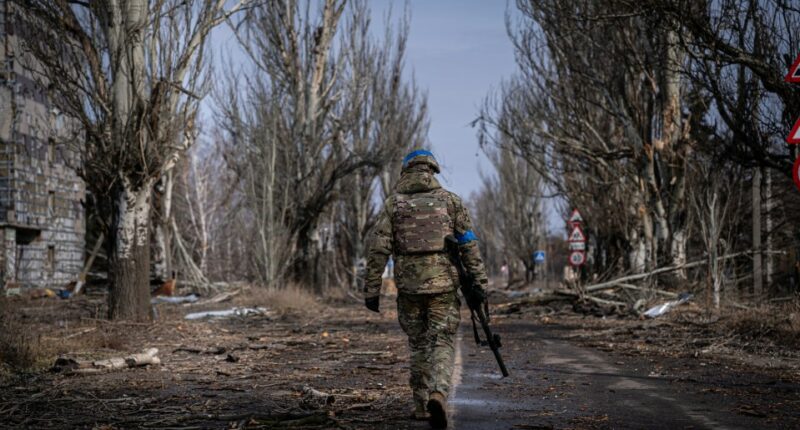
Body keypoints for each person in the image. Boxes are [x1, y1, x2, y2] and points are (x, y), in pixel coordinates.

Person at [363, 149, 488, 429]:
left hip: (408, 288)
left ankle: (421, 406)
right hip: (444, 285)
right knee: (442, 341)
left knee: (418, 343)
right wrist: (480, 283)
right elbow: (468, 245)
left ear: (406, 172)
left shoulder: (393, 205)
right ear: (432, 170)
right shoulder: (451, 202)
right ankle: (438, 393)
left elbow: (378, 248)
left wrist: (371, 290)